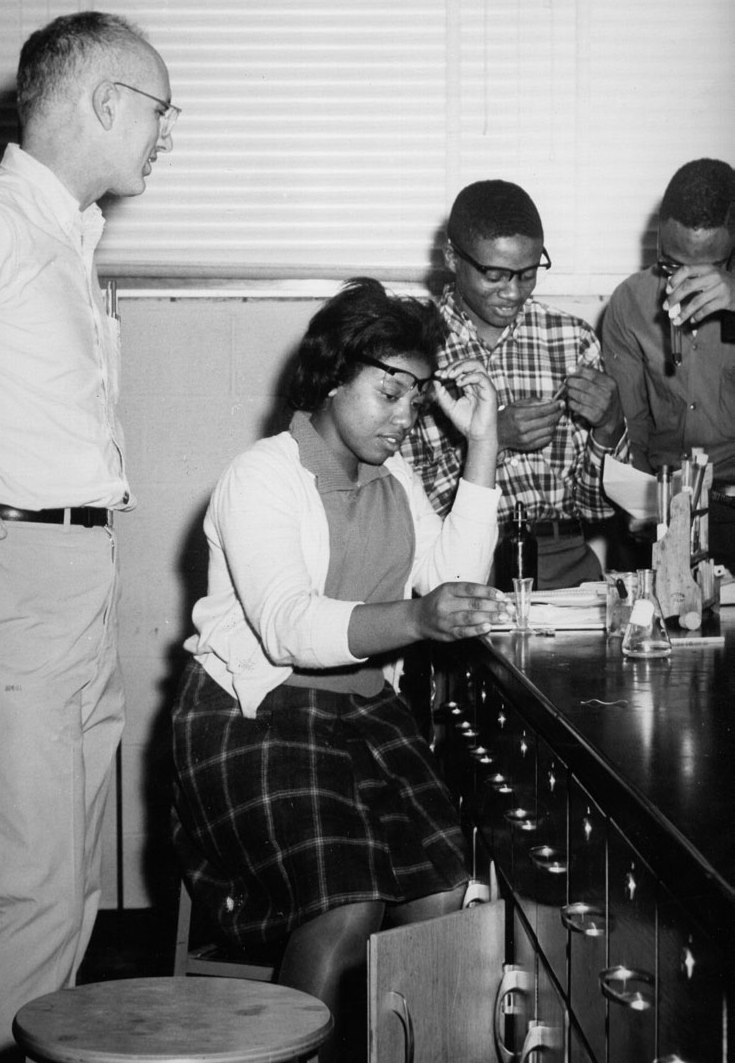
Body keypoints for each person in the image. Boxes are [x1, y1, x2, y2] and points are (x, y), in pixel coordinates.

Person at [0, 11, 176, 1063]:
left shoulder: (61, 237)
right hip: (7, 573)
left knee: (71, 896)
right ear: (104, 101)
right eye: (158, 111)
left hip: (70, 570)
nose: (164, 136)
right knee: (32, 899)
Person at [170, 277, 508, 1063]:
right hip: (254, 715)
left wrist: (483, 451)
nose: (406, 418)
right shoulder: (262, 476)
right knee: (346, 903)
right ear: (330, 377)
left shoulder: (395, 484)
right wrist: (419, 619)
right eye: (389, 393)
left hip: (360, 716)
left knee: (442, 893)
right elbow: (289, 630)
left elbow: (450, 572)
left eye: (417, 399)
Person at [402, 179, 628, 589]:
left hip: (566, 565)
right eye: (495, 275)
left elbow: (598, 510)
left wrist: (610, 426)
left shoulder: (569, 339)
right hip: (462, 567)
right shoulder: (414, 348)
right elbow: (402, 505)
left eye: (527, 275)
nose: (513, 292)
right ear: (452, 258)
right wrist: (492, 440)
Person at [601, 158, 735, 570]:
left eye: (706, 270)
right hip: (660, 504)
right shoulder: (630, 303)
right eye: (672, 264)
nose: (683, 285)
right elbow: (631, 430)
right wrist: (644, 502)